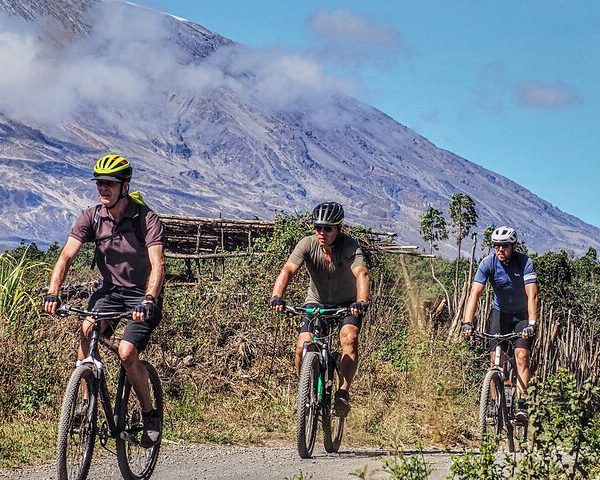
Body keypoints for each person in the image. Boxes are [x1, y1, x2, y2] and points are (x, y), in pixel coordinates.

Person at [43, 153, 165, 447]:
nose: (103, 188)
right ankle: (86, 401)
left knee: (125, 352)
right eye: (99, 183)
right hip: (110, 292)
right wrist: (53, 292)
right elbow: (66, 256)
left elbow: (158, 265)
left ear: (125, 185)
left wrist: (149, 299)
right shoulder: (92, 216)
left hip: (142, 294)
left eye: (110, 183)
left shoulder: (146, 219)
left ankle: (149, 414)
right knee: (86, 332)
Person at [270, 202, 370, 416]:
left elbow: (362, 273)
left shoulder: (350, 246)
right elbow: (288, 270)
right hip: (316, 302)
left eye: (328, 228)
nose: (321, 232)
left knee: (349, 338)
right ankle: (304, 391)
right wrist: (277, 296)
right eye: (318, 227)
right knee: (302, 346)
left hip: (347, 304)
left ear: (338, 228)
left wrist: (361, 302)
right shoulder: (307, 244)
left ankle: (342, 393)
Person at [462, 226, 538, 422]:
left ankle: (522, 406)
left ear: (513, 246)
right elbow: (475, 293)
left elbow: (533, 295)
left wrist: (531, 323)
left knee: (521, 356)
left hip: (522, 316)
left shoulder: (525, 263)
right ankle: (495, 407)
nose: (500, 250)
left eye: (504, 246)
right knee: (495, 360)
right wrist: (467, 322)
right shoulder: (488, 263)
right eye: (496, 246)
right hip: (500, 314)